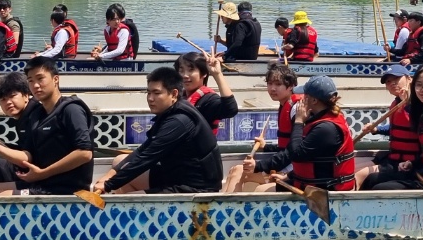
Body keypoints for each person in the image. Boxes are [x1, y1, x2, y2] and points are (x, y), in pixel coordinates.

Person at [93, 67, 223, 195]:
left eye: (157, 93)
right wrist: (110, 175)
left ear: (174, 94)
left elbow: (146, 158)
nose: (150, 98)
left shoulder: (178, 122)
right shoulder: (171, 112)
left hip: (195, 188)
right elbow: (143, 150)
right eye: (148, 93)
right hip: (176, 175)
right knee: (119, 161)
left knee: (129, 200)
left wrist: (108, 185)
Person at [0, 56, 94, 195]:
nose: (35, 85)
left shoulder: (71, 109)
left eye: (40, 78)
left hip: (64, 188)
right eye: (31, 81)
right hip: (43, 183)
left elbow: (85, 153)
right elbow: (28, 155)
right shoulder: (39, 116)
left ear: (55, 79)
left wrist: (43, 173)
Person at [245, 74, 356, 191]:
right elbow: (309, 156)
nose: (301, 98)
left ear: (314, 100)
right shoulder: (322, 120)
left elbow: (296, 154)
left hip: (323, 192)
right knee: (262, 188)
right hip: (311, 184)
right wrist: (288, 176)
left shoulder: (325, 129)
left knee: (261, 190)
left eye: (305, 95)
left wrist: (298, 121)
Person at [224, 62, 302, 192]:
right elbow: (286, 145)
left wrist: (259, 165)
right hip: (286, 165)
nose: (272, 88)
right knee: (235, 170)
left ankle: (228, 205)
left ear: (291, 86)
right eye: (270, 83)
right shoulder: (285, 105)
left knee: (238, 172)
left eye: (278, 84)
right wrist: (266, 147)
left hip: (292, 170)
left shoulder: (296, 110)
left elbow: (293, 151)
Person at [0, 74, 35, 192]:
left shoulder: (35, 115)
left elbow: (28, 158)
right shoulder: (23, 118)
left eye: (12, 96)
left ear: (26, 95)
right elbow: (26, 150)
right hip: (30, 170)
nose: (8, 102)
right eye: (3, 99)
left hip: (43, 177)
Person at [176, 51, 239, 136]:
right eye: (181, 71)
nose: (185, 75)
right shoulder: (179, 98)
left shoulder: (208, 100)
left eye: (191, 70)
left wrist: (217, 74)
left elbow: (230, 109)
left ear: (204, 73)